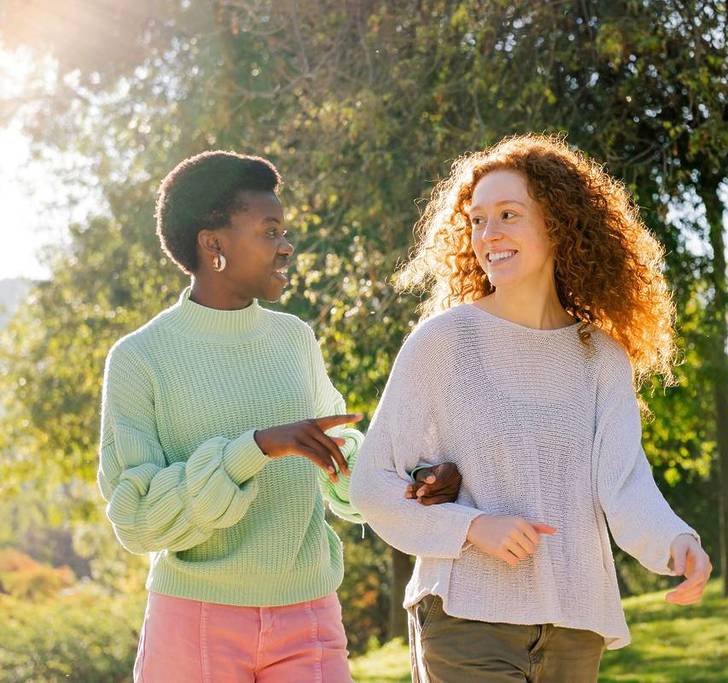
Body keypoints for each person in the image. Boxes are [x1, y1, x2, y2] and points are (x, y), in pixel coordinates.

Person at [349, 134, 712, 682]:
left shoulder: (601, 357)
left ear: (558, 224)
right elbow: (370, 484)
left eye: (508, 215)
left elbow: (624, 484)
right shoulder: (443, 343)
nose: (488, 234)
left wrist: (677, 542)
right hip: (466, 619)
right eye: (476, 220)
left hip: (574, 625)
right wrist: (472, 527)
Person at [97, 150, 459, 682]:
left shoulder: (294, 340)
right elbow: (136, 518)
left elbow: (338, 460)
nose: (286, 246)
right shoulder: (139, 358)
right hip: (194, 623)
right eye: (270, 232)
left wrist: (410, 483)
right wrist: (255, 449)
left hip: (307, 617)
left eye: (284, 231)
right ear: (213, 244)